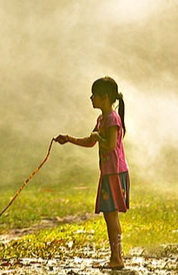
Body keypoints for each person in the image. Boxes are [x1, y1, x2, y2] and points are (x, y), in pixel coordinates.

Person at [55, 76, 129, 270]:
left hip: (114, 172)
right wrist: (68, 139)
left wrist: (98, 136)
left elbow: (110, 145)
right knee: (109, 215)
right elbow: (90, 141)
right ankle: (116, 257)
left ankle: (117, 259)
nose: (91, 98)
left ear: (104, 97)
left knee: (111, 216)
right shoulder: (102, 118)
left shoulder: (112, 119)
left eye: (94, 95)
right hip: (109, 172)